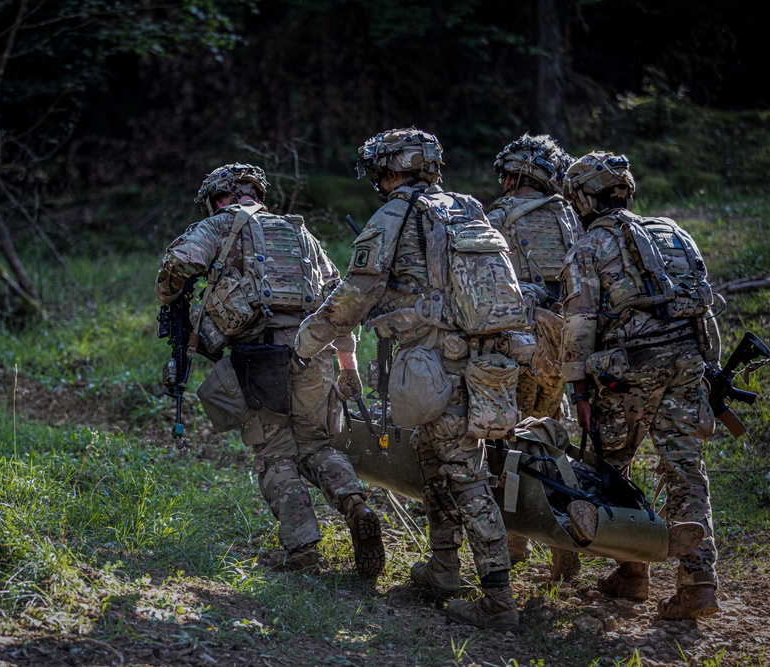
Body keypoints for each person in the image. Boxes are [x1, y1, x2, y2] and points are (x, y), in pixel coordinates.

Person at [295, 128, 521, 630]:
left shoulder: (393, 216)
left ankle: (498, 601)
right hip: (486, 360)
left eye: (378, 171)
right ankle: (443, 569)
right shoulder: (466, 207)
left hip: (432, 364)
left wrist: (304, 345)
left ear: (389, 170)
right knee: (433, 461)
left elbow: (353, 297)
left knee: (464, 473)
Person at [155, 163, 385, 579]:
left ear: (221, 197)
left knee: (276, 453)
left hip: (260, 358)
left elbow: (179, 261)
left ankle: (303, 549)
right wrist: (347, 364)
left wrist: (170, 295)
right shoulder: (301, 233)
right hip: (315, 353)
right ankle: (357, 506)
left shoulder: (222, 225)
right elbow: (338, 300)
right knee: (317, 445)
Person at [559, 151, 722, 619]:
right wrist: (703, 368)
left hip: (629, 370)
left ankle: (632, 572)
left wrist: (580, 391)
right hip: (687, 362)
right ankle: (698, 583)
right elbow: (702, 306)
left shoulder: (588, 246)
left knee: (610, 468)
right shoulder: (674, 230)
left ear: (583, 199)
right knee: (685, 469)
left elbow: (581, 325)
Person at [486, 133, 583, 579]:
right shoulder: (575, 217)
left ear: (513, 176)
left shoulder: (498, 218)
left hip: (519, 346)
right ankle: (567, 541)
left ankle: (514, 541)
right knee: (553, 440)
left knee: (507, 443)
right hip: (567, 348)